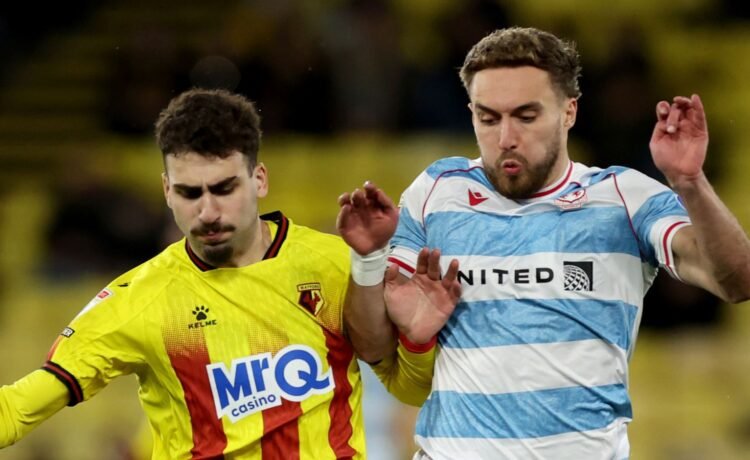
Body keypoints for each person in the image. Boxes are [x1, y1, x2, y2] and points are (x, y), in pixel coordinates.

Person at [338, 26, 750, 459]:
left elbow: (737, 281)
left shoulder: (624, 198)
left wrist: (690, 182)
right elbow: (372, 347)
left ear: (569, 111)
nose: (505, 138)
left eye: (526, 116)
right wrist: (368, 263)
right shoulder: (437, 191)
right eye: (488, 118)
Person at [0, 88, 437, 459]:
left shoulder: (336, 264)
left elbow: (409, 389)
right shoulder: (138, 299)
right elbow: (18, 409)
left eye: (224, 188)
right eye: (190, 193)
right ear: (167, 191)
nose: (208, 211)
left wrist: (418, 342)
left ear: (259, 179)